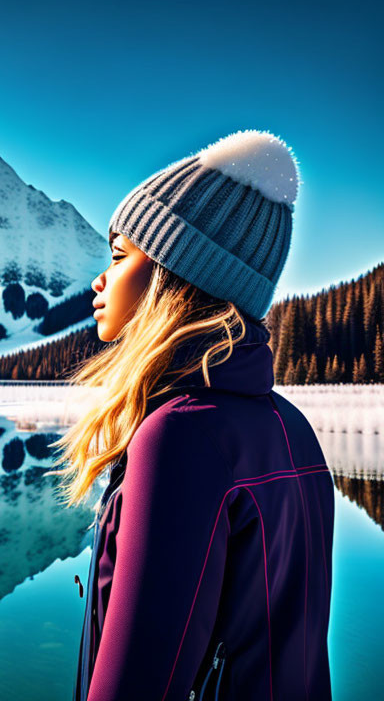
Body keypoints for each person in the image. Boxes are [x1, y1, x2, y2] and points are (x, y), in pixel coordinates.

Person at [49, 130, 334, 700]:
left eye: (119, 255)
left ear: (172, 277)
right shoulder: (292, 428)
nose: (98, 281)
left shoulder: (179, 437)